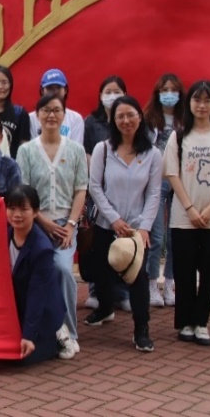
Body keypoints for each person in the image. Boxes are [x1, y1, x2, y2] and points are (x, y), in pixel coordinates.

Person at [163, 80, 210, 346]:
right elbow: (172, 174)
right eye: (197, 99)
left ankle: (202, 322)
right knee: (184, 271)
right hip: (183, 216)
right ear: (189, 103)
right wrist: (190, 208)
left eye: (208, 100)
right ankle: (185, 322)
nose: (202, 105)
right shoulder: (178, 136)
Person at [86, 96, 162, 352]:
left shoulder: (152, 154)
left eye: (131, 115)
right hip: (106, 224)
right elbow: (95, 187)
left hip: (135, 229)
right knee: (102, 272)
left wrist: (144, 227)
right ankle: (105, 308)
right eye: (120, 116)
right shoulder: (103, 149)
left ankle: (141, 329)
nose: (126, 120)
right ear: (113, 120)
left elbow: (154, 193)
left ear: (140, 117)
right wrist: (114, 219)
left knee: (138, 277)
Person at [16, 93, 87, 357]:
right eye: (45, 110)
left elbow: (81, 190)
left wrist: (70, 225)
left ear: (64, 115)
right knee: (42, 272)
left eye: (56, 110)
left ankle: (70, 332)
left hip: (66, 225)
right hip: (37, 224)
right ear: (37, 116)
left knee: (63, 270)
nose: (51, 115)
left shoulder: (75, 150)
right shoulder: (26, 150)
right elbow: (23, 191)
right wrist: (42, 221)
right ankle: (48, 330)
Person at [6, 185, 69, 364]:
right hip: (18, 307)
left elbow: (37, 294)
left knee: (19, 359)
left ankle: (58, 335)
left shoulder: (42, 249)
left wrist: (28, 335)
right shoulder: (4, 234)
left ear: (35, 212)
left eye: (23, 209)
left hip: (42, 312)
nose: (17, 215)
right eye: (12, 208)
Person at [83, 75, 129, 311]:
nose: (112, 96)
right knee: (98, 243)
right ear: (100, 96)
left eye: (117, 91)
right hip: (98, 187)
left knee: (122, 240)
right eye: (108, 92)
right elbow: (86, 153)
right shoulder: (91, 122)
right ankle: (96, 290)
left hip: (124, 190)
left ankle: (122, 293)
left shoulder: (128, 120)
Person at [142, 73, 184, 308]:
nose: (169, 94)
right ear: (158, 93)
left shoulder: (185, 120)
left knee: (175, 237)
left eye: (173, 90)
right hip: (156, 182)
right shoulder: (149, 119)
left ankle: (169, 284)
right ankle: (151, 284)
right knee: (156, 237)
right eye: (164, 90)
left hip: (180, 182)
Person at [28, 69, 85, 143]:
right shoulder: (31, 118)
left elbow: (76, 148)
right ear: (42, 91)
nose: (54, 92)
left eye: (58, 88)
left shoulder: (75, 119)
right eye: (50, 88)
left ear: (65, 90)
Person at [0, 65, 31, 159]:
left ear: (10, 85)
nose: (0, 87)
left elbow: (25, 148)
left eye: (4, 82)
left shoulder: (20, 114)